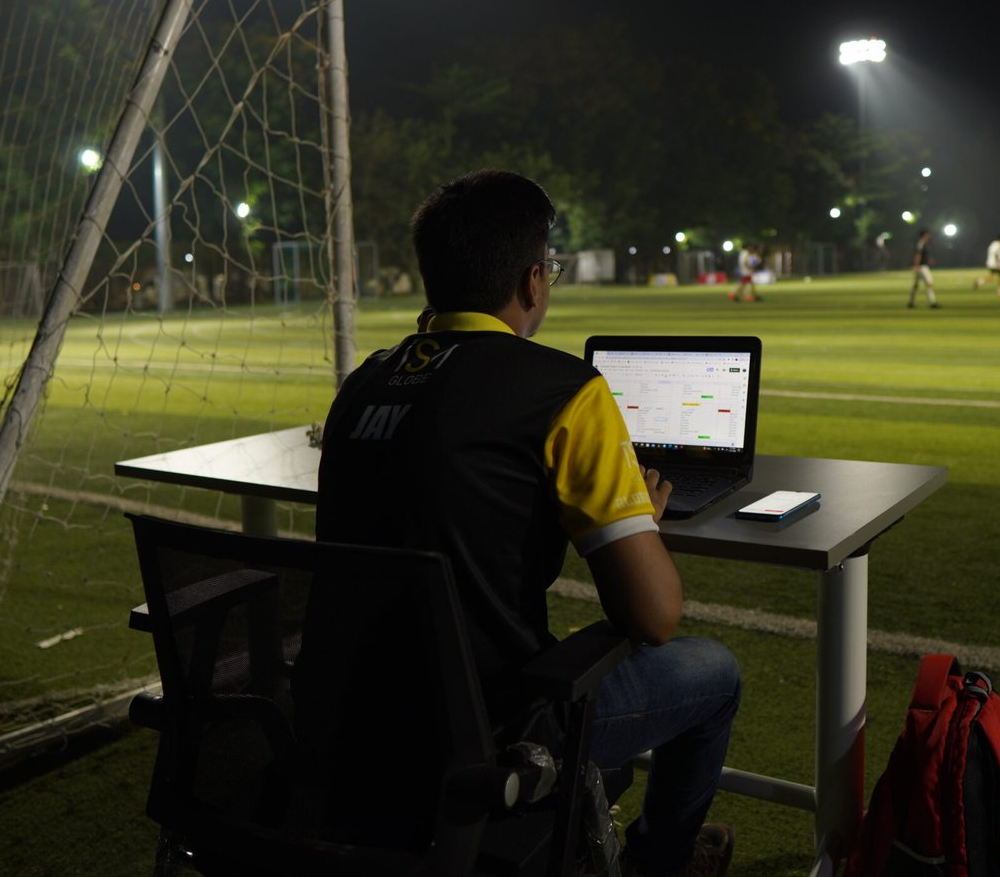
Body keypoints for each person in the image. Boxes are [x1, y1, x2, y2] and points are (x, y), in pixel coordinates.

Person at [316, 170, 741, 877]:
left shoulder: (361, 384)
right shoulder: (561, 389)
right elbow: (654, 614)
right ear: (533, 281)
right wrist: (641, 519)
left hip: (354, 715)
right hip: (494, 730)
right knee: (713, 670)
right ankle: (658, 863)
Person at [907, 228, 939, 309]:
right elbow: (918, 255)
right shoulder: (921, 243)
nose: (929, 236)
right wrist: (916, 265)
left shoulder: (923, 244)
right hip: (922, 267)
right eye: (927, 235)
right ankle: (932, 303)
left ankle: (911, 303)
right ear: (924, 235)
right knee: (929, 283)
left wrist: (929, 260)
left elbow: (922, 255)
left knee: (916, 286)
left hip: (921, 266)